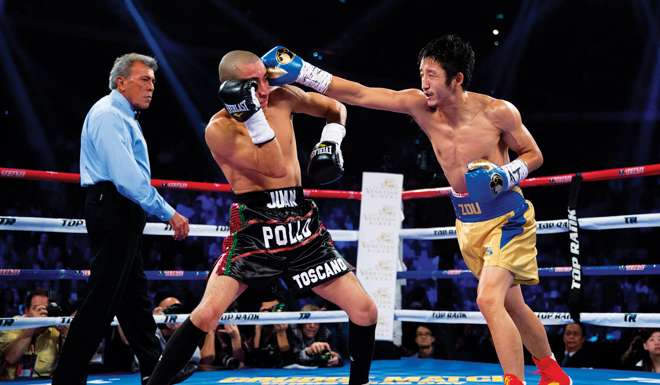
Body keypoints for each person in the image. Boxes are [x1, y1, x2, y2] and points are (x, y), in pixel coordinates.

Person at [262, 35, 570, 385]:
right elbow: (360, 93)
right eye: (422, 73)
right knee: (512, 304)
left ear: (457, 79)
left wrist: (508, 172)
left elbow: (534, 154)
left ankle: (513, 381)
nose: (424, 83)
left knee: (487, 300)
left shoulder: (498, 112)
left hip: (508, 218)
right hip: (468, 222)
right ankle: (553, 374)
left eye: (433, 75)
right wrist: (303, 71)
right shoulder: (419, 105)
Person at [146, 50, 377, 385]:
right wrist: (252, 114)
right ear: (232, 88)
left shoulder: (282, 97)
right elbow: (274, 165)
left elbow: (335, 108)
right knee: (207, 314)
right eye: (254, 84)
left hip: (301, 224)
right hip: (256, 225)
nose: (266, 88)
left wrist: (331, 140)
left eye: (266, 77)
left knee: (365, 310)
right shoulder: (220, 129)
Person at [52, 53, 190, 385]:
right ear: (121, 82)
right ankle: (68, 376)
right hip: (114, 205)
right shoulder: (110, 115)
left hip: (119, 208)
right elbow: (127, 177)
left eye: (154, 81)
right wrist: (168, 211)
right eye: (145, 79)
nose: (151, 87)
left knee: (133, 295)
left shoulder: (122, 115)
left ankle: (155, 368)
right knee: (103, 297)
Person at [0, 288, 64, 379]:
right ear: (26, 311)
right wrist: (32, 325)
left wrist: (65, 330)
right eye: (36, 308)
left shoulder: (55, 331)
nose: (42, 312)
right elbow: (10, 358)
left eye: (45, 308)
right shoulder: (12, 325)